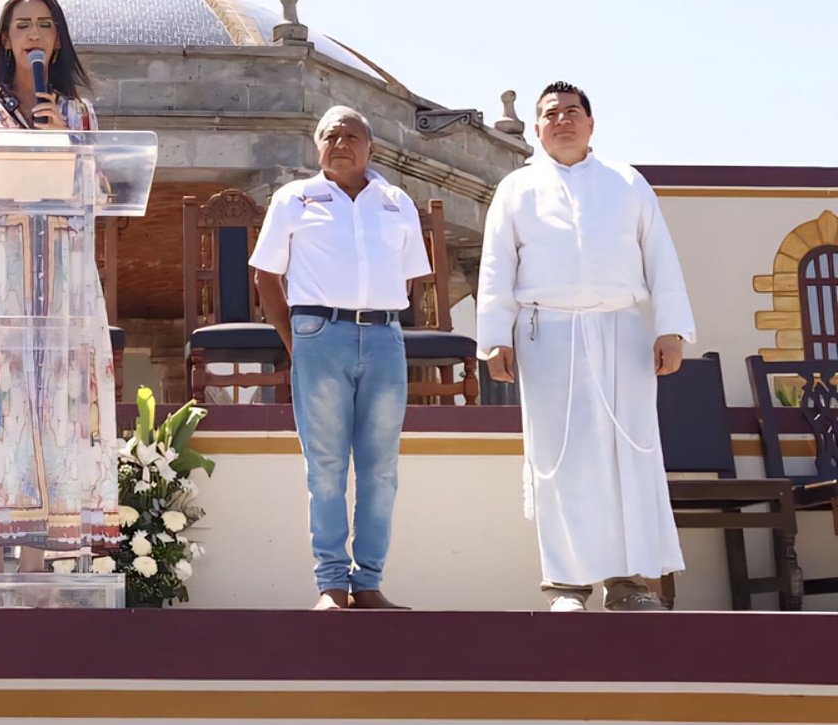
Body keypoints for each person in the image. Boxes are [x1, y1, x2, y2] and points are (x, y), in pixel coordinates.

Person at [476, 81, 694, 612]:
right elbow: (496, 266)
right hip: (545, 334)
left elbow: (660, 256)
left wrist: (670, 328)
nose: (562, 120)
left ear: (591, 123)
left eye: (572, 111)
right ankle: (567, 585)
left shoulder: (627, 182)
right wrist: (495, 338)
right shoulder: (516, 189)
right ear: (536, 128)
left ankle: (628, 583)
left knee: (628, 455)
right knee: (561, 458)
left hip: (622, 332)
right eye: (551, 114)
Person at [0, 0, 119, 571]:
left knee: (58, 403)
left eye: (45, 24)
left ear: (58, 40)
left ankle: (36, 562)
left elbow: (99, 197)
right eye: (22, 25)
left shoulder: (79, 114)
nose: (34, 34)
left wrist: (63, 141)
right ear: (5, 38)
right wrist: (10, 162)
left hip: (64, 269)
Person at [251, 106, 431, 610]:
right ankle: (331, 584)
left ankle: (369, 583)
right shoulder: (294, 199)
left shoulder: (396, 202)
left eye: (352, 136)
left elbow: (411, 276)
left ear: (371, 147)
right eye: (330, 136)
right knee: (326, 465)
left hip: (383, 337)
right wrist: (295, 339)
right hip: (319, 333)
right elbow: (266, 275)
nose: (341, 143)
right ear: (317, 147)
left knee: (381, 468)